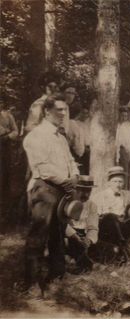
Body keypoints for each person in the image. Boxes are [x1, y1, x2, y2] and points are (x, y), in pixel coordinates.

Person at [22, 94, 80, 291]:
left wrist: (75, 174)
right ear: (47, 112)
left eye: (65, 110)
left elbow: (71, 160)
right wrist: (66, 181)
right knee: (39, 234)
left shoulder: (60, 137)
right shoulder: (36, 136)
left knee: (58, 232)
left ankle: (57, 275)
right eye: (59, 110)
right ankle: (32, 283)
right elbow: (43, 167)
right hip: (44, 189)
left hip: (62, 189)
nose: (63, 114)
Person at [65, 175, 98, 274]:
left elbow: (93, 226)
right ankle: (87, 265)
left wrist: (89, 240)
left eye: (89, 191)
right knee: (74, 244)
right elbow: (62, 223)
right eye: (82, 191)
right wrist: (75, 236)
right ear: (75, 190)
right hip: (69, 235)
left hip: (84, 235)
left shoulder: (92, 205)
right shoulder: (67, 202)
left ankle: (75, 261)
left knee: (109, 249)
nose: (86, 194)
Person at [0, 98, 19, 208]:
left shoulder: (7, 116)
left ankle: (4, 204)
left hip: (5, 145)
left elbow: (15, 131)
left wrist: (7, 136)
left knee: (5, 173)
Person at [116, 106, 130, 190]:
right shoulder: (121, 126)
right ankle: (122, 188)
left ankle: (129, 188)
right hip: (122, 149)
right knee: (123, 169)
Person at [75, 107, 91, 174]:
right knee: (81, 168)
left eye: (86, 113)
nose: (85, 115)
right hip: (80, 147)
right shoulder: (76, 123)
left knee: (87, 168)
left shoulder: (87, 124)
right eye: (83, 113)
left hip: (88, 148)